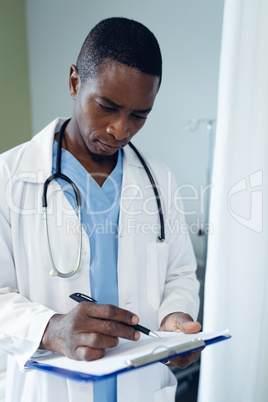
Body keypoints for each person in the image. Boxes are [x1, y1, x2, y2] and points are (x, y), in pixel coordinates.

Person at [0, 17, 201, 402]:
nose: (121, 130)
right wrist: (52, 329)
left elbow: (179, 273)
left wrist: (174, 319)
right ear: (75, 82)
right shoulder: (10, 178)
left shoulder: (159, 181)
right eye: (107, 107)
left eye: (139, 115)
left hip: (140, 389)